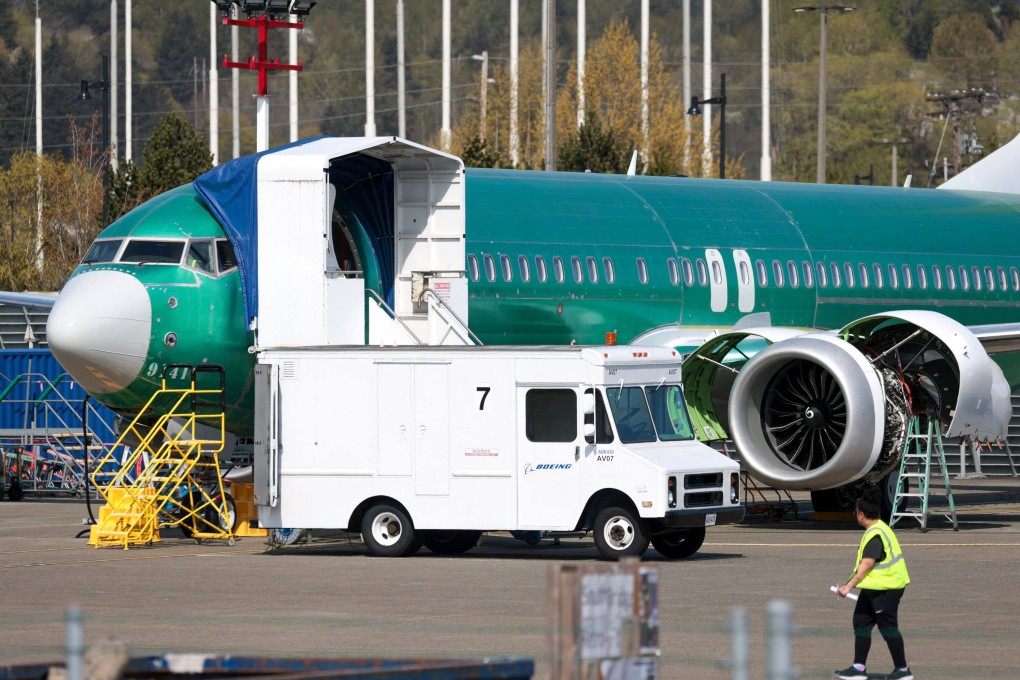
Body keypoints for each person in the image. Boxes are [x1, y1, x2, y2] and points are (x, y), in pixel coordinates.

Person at [834, 485, 912, 680]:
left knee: (888, 628)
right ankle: (859, 668)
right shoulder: (877, 528)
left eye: (855, 512)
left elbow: (866, 564)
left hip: (886, 588)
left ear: (861, 514)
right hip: (873, 588)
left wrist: (847, 587)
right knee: (861, 622)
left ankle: (903, 671)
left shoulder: (875, 534)